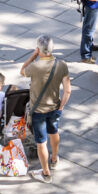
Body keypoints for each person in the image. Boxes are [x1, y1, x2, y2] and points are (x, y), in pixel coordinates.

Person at [21, 35, 71, 183]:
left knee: (41, 142)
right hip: (54, 108)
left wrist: (33, 55)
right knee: (54, 132)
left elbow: (22, 70)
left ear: (39, 49)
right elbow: (68, 90)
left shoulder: (35, 67)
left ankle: (46, 173)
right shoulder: (61, 65)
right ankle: (54, 159)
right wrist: (61, 107)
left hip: (38, 111)